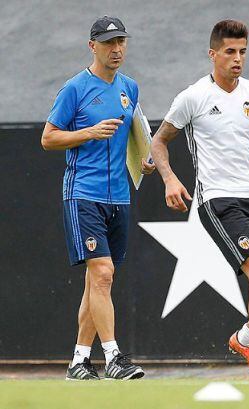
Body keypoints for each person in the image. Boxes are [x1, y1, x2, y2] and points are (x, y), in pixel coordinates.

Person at [150, 19, 249, 375]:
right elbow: (159, 141)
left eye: (243, 52)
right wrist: (170, 179)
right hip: (218, 201)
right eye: (230, 52)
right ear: (213, 54)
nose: (238, 58)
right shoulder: (193, 97)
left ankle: (247, 336)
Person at [42, 16, 153, 380]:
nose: (117, 49)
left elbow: (136, 135)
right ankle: (114, 357)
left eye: (121, 41)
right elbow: (48, 138)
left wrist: (144, 161)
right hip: (83, 193)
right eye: (108, 43)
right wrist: (88, 132)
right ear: (93, 46)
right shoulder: (74, 89)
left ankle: (78, 360)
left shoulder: (130, 88)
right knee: (102, 273)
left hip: (119, 196)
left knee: (98, 281)